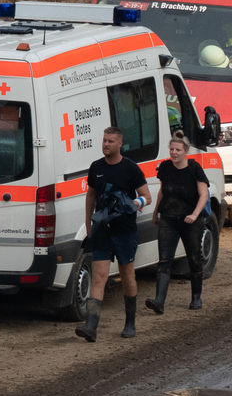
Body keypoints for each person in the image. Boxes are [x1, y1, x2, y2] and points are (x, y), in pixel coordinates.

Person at [76, 127, 149, 342]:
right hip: (102, 231)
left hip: (125, 231)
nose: (106, 144)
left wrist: (136, 202)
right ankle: (91, 326)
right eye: (104, 140)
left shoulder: (131, 169)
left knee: (127, 275)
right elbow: (90, 196)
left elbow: (147, 196)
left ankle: (130, 323)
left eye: (110, 141)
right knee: (99, 276)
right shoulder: (96, 168)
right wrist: (89, 225)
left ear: (120, 144)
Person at [150, 133, 211, 314]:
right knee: (164, 260)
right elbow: (162, 191)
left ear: (185, 151)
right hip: (168, 217)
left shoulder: (194, 168)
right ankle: (159, 301)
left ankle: (196, 297)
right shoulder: (166, 167)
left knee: (194, 258)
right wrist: (155, 212)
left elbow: (204, 194)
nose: (174, 153)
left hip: (190, 220)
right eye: (171, 150)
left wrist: (194, 214)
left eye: (177, 150)